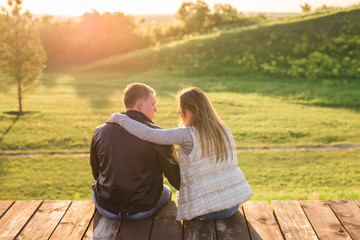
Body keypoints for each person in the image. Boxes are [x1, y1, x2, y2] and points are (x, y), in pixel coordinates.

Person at [106, 87, 253, 221]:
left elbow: (148, 134)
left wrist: (119, 118)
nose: (178, 112)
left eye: (180, 108)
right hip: (231, 207)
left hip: (203, 212)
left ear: (192, 109)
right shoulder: (223, 130)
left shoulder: (186, 134)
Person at [90, 83, 180, 220]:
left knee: (97, 187)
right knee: (166, 190)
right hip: (143, 209)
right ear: (141, 104)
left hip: (107, 207)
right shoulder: (157, 134)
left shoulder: (100, 130)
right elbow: (175, 178)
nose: (155, 109)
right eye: (153, 104)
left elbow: (96, 172)